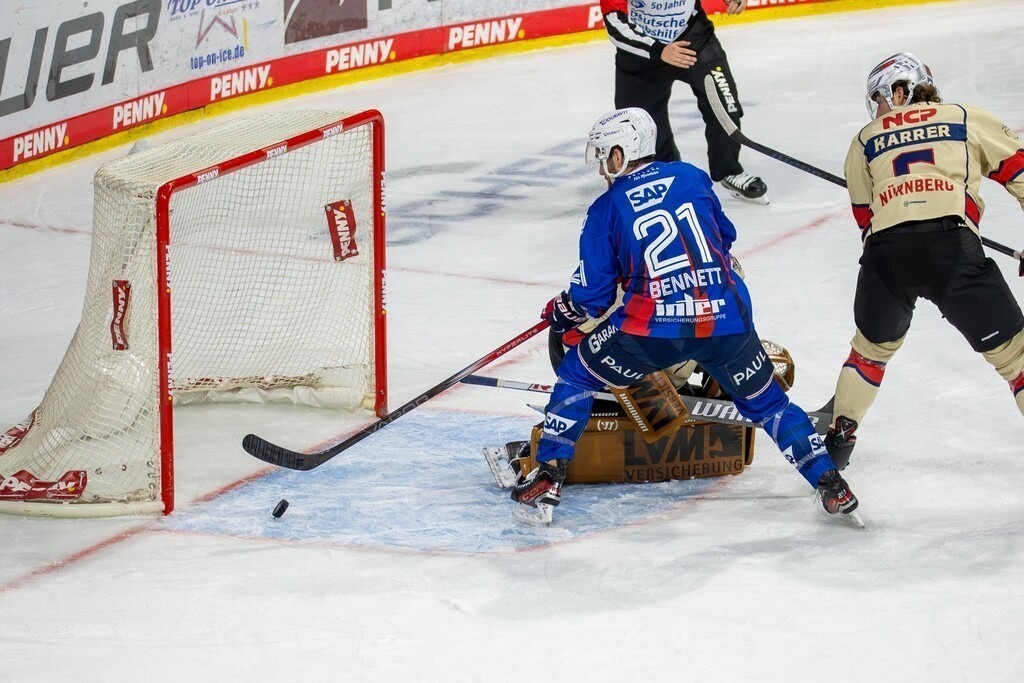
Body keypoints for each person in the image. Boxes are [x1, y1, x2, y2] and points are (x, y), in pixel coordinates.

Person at [510, 107, 859, 526]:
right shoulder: (693, 177)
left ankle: (549, 474)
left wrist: (564, 308)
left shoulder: (606, 209)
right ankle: (831, 484)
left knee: (577, 373)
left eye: (607, 155)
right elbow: (724, 238)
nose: (603, 167)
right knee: (770, 405)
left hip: (650, 331)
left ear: (623, 153)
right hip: (727, 324)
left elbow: (593, 297)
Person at [824, 53, 1024, 470]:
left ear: (899, 91)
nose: (877, 109)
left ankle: (837, 445)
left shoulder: (865, 138)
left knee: (869, 354)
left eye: (879, 98)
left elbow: (866, 217)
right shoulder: (965, 117)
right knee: (1017, 361)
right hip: (953, 249)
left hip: (887, 257)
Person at [601, 0, 768, 204]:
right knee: (640, 127)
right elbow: (614, 21)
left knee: (725, 104)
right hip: (642, 55)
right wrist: (658, 50)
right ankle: (668, 176)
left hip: (694, 40)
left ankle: (729, 170)